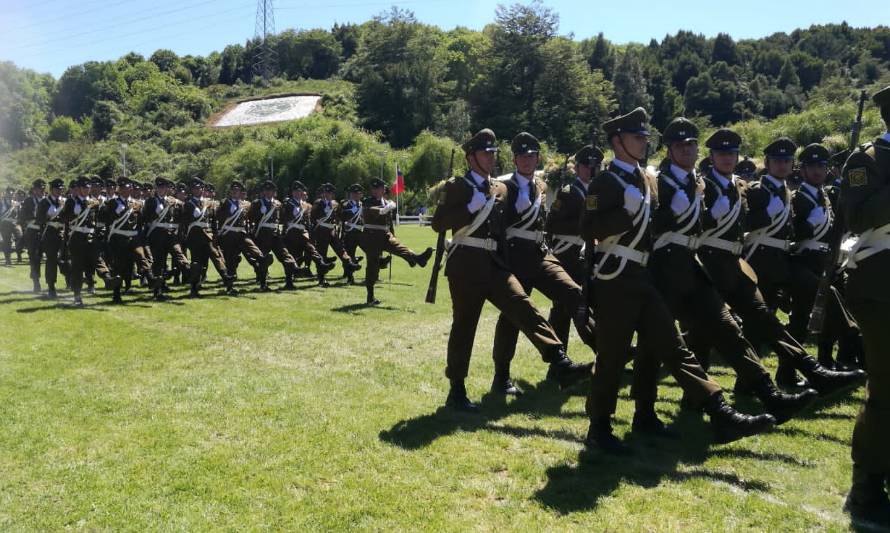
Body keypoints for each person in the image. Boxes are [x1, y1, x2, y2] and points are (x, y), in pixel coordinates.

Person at [580, 108, 775, 454]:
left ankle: (719, 410)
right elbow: (589, 229)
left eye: (644, 137)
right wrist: (621, 214)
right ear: (617, 141)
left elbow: (658, 227)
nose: (643, 143)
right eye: (636, 137)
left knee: (674, 346)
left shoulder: (649, 179)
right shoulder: (605, 182)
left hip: (644, 274)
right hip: (615, 279)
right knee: (610, 357)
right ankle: (599, 427)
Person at [646, 118, 815, 424]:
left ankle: (770, 395)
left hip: (694, 266)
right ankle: (644, 412)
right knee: (657, 342)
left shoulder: (696, 183)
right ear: (669, 150)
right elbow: (648, 227)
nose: (687, 150)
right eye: (680, 146)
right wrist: (675, 214)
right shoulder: (657, 182)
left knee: (728, 330)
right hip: (665, 268)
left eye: (691, 145)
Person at [431, 128, 597, 413]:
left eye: (494, 152)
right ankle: (456, 391)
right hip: (466, 264)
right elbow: (438, 223)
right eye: (486, 153)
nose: (491, 157)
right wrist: (468, 209)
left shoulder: (500, 188)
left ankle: (559, 359)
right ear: (471, 157)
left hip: (494, 263)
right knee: (465, 326)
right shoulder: (458, 186)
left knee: (522, 305)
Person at [696, 129, 864, 396]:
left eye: (787, 161)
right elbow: (746, 225)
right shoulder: (759, 190)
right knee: (757, 323)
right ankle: (750, 383)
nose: (783, 165)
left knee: (781, 315)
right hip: (759, 260)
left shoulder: (783, 190)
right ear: (768, 162)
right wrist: (767, 216)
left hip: (783, 260)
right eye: (777, 161)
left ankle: (843, 351)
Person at [489, 132, 597, 396]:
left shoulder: (541, 186)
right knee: (513, 317)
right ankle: (501, 376)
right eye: (522, 156)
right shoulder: (504, 187)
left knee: (574, 293)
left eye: (532, 156)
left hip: (540, 253)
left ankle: (605, 353)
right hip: (515, 255)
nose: (527, 160)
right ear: (514, 160)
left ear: (537, 158)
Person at [840, 85, 890, 522]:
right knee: (886, 387)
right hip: (878, 282)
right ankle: (866, 485)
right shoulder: (867, 160)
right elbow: (856, 216)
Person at [790, 144, 862, 369]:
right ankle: (790, 368)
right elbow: (792, 234)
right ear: (802, 170)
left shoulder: (829, 196)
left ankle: (826, 359)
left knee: (830, 316)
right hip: (807, 259)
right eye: (812, 166)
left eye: (821, 166)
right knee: (801, 317)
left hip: (829, 260)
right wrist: (811, 222)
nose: (817, 171)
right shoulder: (797, 198)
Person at [544, 145, 603, 348]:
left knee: (591, 303)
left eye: (596, 166)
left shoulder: (598, 192)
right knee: (563, 308)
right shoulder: (568, 192)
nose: (591, 170)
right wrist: (582, 225)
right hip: (568, 255)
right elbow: (551, 224)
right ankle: (558, 357)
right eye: (586, 165)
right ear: (577, 168)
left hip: (588, 256)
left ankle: (602, 349)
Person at [360, 177, 432, 305]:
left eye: (379, 188)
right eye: (374, 188)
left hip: (385, 234)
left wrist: (393, 234)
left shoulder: (386, 201)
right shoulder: (367, 202)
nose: (376, 191)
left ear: (383, 190)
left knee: (399, 247)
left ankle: (417, 258)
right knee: (372, 266)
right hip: (371, 236)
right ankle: (370, 296)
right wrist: (390, 206)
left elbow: (389, 222)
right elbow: (380, 212)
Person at [59, 176, 121, 306]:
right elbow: (63, 218)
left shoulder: (94, 202)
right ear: (79, 188)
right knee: (77, 267)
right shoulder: (71, 202)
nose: (87, 190)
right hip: (76, 238)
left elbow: (102, 218)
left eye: (88, 188)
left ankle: (108, 278)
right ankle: (77, 295)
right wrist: (74, 212)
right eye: (84, 188)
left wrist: (106, 208)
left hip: (91, 237)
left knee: (98, 259)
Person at [141, 176, 193, 301]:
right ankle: (158, 290)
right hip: (156, 235)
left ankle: (188, 270)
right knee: (159, 263)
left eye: (164, 187)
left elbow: (180, 217)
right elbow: (146, 217)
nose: (162, 190)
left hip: (170, 234)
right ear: (156, 188)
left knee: (178, 252)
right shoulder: (151, 201)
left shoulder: (173, 202)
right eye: (160, 187)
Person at [180, 177, 233, 297]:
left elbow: (213, 220)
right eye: (194, 188)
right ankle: (194, 288)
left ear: (202, 189)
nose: (197, 190)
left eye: (199, 188)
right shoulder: (188, 204)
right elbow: (184, 222)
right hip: (195, 237)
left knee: (216, 256)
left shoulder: (208, 204)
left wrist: (215, 234)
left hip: (208, 236)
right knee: (197, 263)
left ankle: (227, 279)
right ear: (191, 190)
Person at [248, 180, 300, 291]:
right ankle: (263, 284)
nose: (269, 193)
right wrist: (259, 213)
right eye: (267, 190)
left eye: (271, 191)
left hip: (275, 234)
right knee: (264, 258)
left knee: (285, 255)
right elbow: (250, 217)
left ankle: (289, 282)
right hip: (262, 234)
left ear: (274, 192)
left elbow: (282, 218)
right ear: (263, 192)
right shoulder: (257, 203)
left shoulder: (278, 204)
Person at [216, 180, 266, 292]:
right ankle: (230, 287)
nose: (235, 192)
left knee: (254, 250)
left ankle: (262, 266)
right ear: (230, 192)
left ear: (240, 192)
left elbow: (251, 217)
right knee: (230, 260)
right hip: (229, 234)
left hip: (242, 233)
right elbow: (219, 216)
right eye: (233, 190)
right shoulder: (225, 202)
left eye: (237, 190)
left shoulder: (245, 204)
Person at [281, 180, 334, 285]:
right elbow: (284, 217)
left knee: (312, 249)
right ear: (292, 193)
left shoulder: (304, 205)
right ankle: (289, 280)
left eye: (300, 191)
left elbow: (308, 220)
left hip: (302, 232)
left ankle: (321, 264)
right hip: (291, 232)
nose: (299, 193)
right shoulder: (288, 203)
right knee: (291, 256)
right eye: (296, 191)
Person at [311, 183, 361, 287]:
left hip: (332, 230)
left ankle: (349, 265)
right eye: (326, 192)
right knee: (322, 254)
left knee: (340, 249)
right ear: (323, 193)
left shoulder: (335, 204)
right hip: (321, 230)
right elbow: (313, 216)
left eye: (330, 193)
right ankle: (321, 279)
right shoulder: (318, 203)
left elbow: (339, 216)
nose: (328, 195)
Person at [36, 178, 67, 299]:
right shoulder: (44, 202)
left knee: (65, 258)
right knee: (52, 260)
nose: (59, 191)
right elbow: (39, 219)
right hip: (49, 234)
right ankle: (51, 287)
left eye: (61, 189)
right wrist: (48, 216)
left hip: (61, 233)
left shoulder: (63, 201)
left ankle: (70, 279)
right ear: (51, 189)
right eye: (57, 189)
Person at [19, 179, 45, 292]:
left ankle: (68, 279)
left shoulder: (46, 200)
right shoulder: (28, 201)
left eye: (43, 188)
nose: (42, 190)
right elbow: (23, 217)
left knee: (54, 256)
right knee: (34, 258)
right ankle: (36, 282)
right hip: (33, 231)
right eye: (40, 188)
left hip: (46, 231)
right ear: (34, 190)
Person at [0, 187, 22, 266]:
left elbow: (18, 214)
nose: (11, 195)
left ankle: (18, 253)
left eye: (12, 194)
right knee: (7, 242)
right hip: (4, 224)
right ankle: (8, 260)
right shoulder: (1, 202)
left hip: (14, 223)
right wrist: (12, 207)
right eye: (9, 193)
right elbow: (2, 215)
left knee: (20, 237)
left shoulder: (15, 202)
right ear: (6, 193)